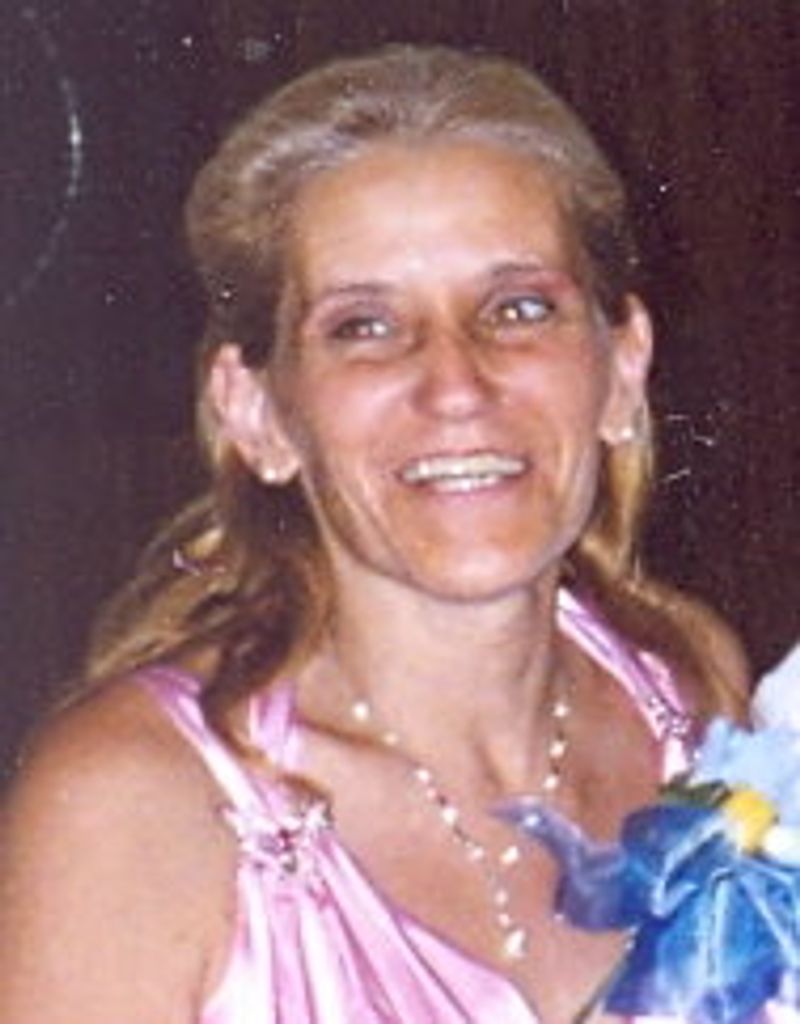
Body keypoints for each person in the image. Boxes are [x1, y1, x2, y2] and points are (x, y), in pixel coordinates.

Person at [0, 45, 749, 1023]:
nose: (457, 384)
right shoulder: (134, 808)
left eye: (518, 309)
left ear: (622, 368)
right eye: (365, 326)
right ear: (256, 411)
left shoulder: (688, 699)